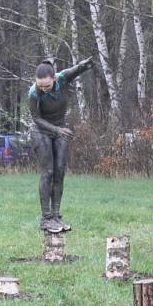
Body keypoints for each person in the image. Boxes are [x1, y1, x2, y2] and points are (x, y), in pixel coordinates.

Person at [28, 57, 94, 233]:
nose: (42, 89)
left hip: (60, 130)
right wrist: (56, 130)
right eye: (40, 85)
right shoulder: (33, 93)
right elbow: (36, 118)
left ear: (54, 79)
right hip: (41, 130)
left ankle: (56, 215)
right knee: (48, 171)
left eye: (46, 86)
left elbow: (76, 69)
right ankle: (46, 218)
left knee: (59, 171)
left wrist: (85, 65)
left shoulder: (62, 77)